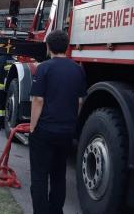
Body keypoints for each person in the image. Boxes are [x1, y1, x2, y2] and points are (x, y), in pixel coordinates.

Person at [28, 30, 87, 214]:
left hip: (44, 130)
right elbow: (79, 101)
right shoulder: (78, 69)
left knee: (39, 176)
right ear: (67, 47)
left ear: (48, 46)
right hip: (66, 131)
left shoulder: (44, 68)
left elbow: (38, 100)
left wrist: (32, 127)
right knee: (58, 175)